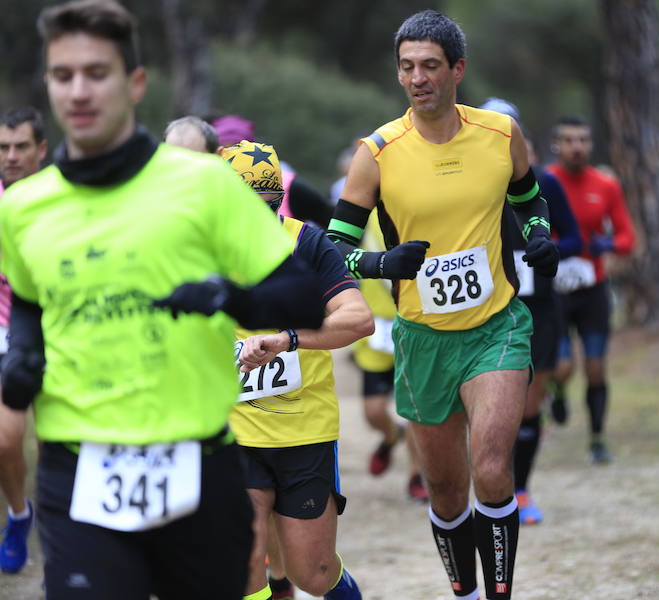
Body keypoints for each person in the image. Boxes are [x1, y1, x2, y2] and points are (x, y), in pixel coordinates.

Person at [0, 2, 328, 598]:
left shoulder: (206, 185)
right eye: (62, 75)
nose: (78, 90)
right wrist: (22, 352)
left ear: (135, 83)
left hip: (197, 463)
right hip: (79, 466)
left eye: (96, 73)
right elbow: (25, 299)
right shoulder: (22, 208)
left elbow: (303, 297)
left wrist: (226, 294)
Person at [327, 11, 558, 600]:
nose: (417, 78)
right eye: (407, 67)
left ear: (458, 69)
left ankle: (497, 594)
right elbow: (332, 250)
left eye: (430, 65)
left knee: (490, 470)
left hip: (496, 326)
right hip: (422, 336)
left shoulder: (501, 134)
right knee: (448, 490)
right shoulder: (377, 153)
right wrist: (382, 265)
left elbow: (531, 199)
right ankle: (466, 590)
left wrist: (537, 235)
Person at [223, 140, 370, 600]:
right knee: (244, 565)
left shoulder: (306, 243)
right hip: (235, 431)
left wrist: (286, 339)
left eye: (268, 207)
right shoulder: (200, 249)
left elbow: (358, 318)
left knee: (314, 574)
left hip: (303, 430)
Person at [479, 97, 582, 525]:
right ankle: (491, 485)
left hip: (538, 306)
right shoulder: (470, 185)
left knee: (528, 404)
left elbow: (574, 237)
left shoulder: (544, 183)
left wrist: (548, 251)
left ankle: (519, 490)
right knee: (488, 409)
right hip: (485, 308)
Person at [546, 115, 635, 464]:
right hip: (555, 289)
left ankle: (597, 437)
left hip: (593, 288)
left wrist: (609, 244)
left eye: (583, 140)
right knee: (563, 366)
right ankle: (556, 391)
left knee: (596, 368)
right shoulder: (546, 181)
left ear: (590, 145)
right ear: (557, 145)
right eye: (569, 140)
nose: (577, 147)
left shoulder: (606, 185)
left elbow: (628, 237)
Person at [350, 211, 427, 501]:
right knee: (373, 411)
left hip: (414, 321)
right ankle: (390, 436)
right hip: (376, 324)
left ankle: (417, 474)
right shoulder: (362, 207)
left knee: (415, 409)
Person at [0, 106, 47, 574]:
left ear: (41, 150)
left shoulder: (63, 201)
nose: (11, 156)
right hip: (6, 334)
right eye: (3, 148)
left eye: (20, 147)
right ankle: (18, 515)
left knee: (61, 443)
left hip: (64, 334)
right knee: (5, 440)